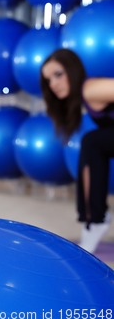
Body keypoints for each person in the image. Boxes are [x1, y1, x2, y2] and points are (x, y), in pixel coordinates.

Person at [40, 48, 114, 253]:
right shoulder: (85, 95)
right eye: (48, 80)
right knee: (93, 142)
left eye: (58, 75)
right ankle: (93, 219)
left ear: (72, 70)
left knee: (93, 141)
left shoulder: (91, 89)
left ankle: (95, 219)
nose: (53, 84)